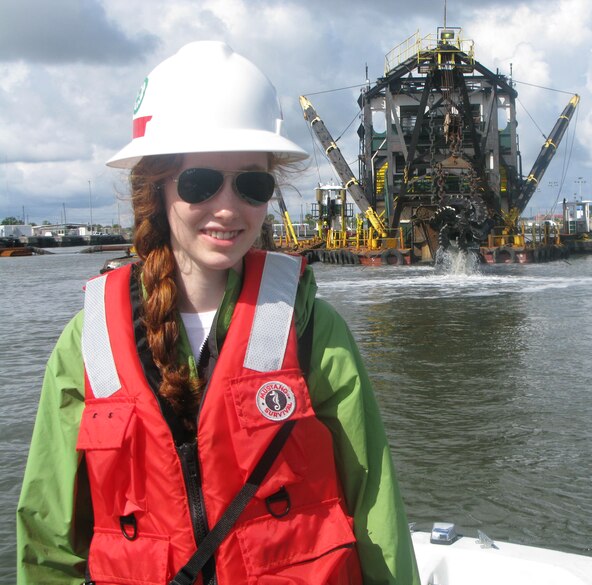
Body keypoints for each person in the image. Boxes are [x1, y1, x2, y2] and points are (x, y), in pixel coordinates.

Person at [17, 41, 420, 585]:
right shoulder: (89, 342)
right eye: (200, 182)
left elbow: (374, 507)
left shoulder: (310, 329)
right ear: (155, 187)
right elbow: (48, 536)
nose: (228, 208)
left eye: (252, 183)